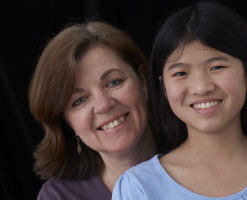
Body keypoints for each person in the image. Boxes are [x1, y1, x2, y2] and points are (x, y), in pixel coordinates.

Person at [112, 1, 247, 199]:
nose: (201, 87)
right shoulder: (138, 188)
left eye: (216, 67)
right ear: (164, 89)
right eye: (181, 73)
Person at [28, 21, 157, 200]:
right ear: (67, 122)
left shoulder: (203, 158)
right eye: (79, 100)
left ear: (142, 82)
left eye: (114, 82)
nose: (103, 105)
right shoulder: (57, 196)